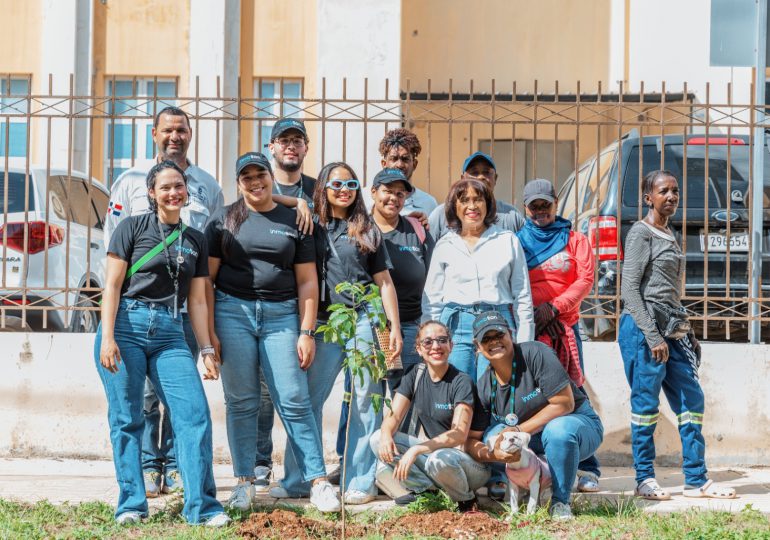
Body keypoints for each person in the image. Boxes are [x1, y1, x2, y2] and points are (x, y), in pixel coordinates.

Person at [95, 161, 229, 527]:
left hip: (171, 331)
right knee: (127, 418)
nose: (174, 192)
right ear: (151, 193)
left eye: (179, 186)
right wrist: (107, 337)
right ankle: (132, 504)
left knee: (193, 416)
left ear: (187, 191)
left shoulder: (195, 239)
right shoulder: (131, 227)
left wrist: (205, 349)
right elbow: (111, 286)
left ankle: (202, 507)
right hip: (125, 326)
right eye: (165, 187)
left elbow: (199, 299)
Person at [204, 152, 340, 513]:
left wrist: (307, 330)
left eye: (259, 174)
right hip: (232, 313)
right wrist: (209, 336)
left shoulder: (295, 218)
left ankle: (318, 482)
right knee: (242, 401)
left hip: (282, 316)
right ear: (238, 182)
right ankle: (245, 483)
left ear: (269, 175)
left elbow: (308, 280)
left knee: (295, 399)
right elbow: (207, 281)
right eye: (246, 176)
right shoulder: (223, 220)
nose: (255, 182)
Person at [271, 161, 403, 505]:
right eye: (336, 184)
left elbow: (384, 282)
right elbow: (263, 197)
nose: (344, 190)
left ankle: (360, 480)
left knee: (365, 400)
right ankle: (299, 478)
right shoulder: (309, 224)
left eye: (351, 183)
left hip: (366, 318)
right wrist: (296, 202)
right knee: (307, 400)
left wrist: (394, 328)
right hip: (326, 321)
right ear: (323, 190)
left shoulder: (366, 228)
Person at [618, 170, 736, 501]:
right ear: (648, 198)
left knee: (691, 400)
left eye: (675, 191)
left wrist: (689, 332)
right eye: (663, 191)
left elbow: (670, 293)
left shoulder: (672, 234)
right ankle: (644, 478)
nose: (671, 196)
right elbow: (629, 289)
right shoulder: (640, 234)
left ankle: (696, 479)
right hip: (643, 331)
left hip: (672, 330)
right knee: (645, 405)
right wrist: (653, 336)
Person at [465, 311, 604, 521]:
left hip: (578, 424)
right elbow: (472, 441)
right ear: (478, 347)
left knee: (557, 431)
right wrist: (494, 454)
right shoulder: (485, 384)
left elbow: (565, 403)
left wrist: (518, 431)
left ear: (510, 334)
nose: (494, 341)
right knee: (492, 438)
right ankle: (528, 487)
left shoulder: (535, 352)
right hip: (533, 437)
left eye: (499, 334)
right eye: (486, 338)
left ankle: (560, 502)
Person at [516, 178, 601, 493]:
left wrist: (554, 309)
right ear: (526, 208)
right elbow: (514, 281)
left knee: (573, 393)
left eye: (545, 205)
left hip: (564, 327)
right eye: (534, 206)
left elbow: (585, 279)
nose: (540, 211)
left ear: (555, 205)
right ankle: (542, 463)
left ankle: (588, 467)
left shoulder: (575, 239)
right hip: (531, 330)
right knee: (535, 397)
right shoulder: (517, 241)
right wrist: (535, 316)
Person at [249, 118, 317, 493]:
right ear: (271, 147)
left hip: (315, 306)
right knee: (261, 392)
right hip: (270, 307)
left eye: (298, 140)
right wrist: (293, 201)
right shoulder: (258, 181)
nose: (291, 146)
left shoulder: (319, 191)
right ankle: (261, 462)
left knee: (300, 395)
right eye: (283, 140)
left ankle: (304, 471)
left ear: (306, 148)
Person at [370, 321, 489, 511]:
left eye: (442, 340)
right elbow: (393, 417)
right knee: (377, 439)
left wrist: (416, 450)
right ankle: (426, 491)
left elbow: (458, 434)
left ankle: (466, 500)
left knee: (438, 458)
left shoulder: (462, 382)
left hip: (468, 465)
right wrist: (385, 433)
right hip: (436, 457)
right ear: (418, 349)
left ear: (451, 345)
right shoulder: (415, 375)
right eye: (428, 342)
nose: (435, 346)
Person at [422, 178, 534, 380]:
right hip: (456, 325)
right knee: (459, 390)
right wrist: (430, 340)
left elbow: (523, 295)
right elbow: (432, 299)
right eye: (464, 200)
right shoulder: (445, 245)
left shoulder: (507, 240)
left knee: (493, 389)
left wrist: (525, 342)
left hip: (497, 323)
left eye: (478, 199)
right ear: (454, 206)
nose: (472, 206)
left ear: (488, 204)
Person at [369, 167, 435, 379]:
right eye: (387, 191)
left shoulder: (416, 229)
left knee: (405, 399)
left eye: (400, 194)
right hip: (369, 329)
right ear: (373, 192)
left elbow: (433, 280)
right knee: (367, 400)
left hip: (409, 328)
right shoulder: (360, 229)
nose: (393, 198)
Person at [427, 152, 525, 241]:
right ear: (462, 179)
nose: (480, 177)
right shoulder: (441, 214)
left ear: (495, 179)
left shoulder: (511, 215)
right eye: (474, 172)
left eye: (486, 172)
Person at [364, 128, 438, 215]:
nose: (399, 165)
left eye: (405, 159)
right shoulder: (364, 198)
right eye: (394, 159)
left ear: (414, 164)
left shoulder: (428, 203)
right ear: (384, 164)